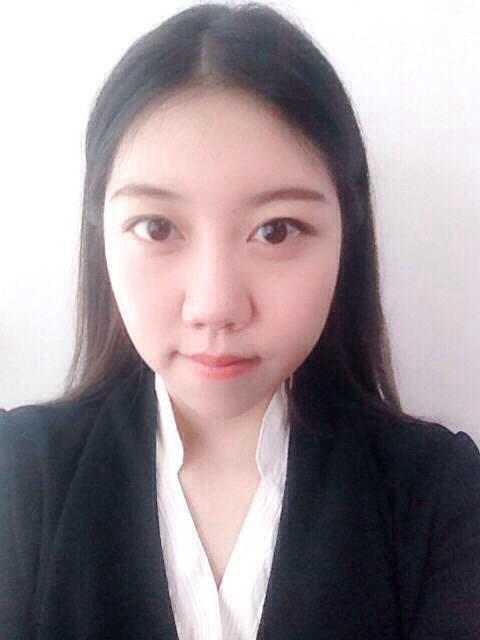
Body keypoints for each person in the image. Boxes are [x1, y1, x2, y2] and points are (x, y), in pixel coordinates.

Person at [1, 2, 479, 639]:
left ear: (347, 233)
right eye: (157, 227)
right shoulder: (18, 477)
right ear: (102, 233)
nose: (216, 306)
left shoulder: (439, 494)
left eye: (276, 230)